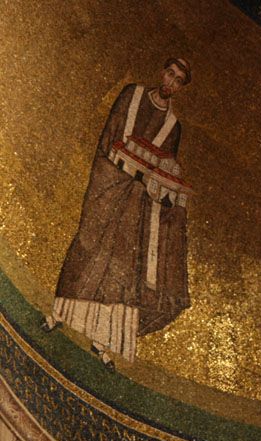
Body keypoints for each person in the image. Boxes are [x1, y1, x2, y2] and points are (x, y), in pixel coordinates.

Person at [42, 58, 193, 370]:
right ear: (161, 72)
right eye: (170, 74)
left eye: (178, 80)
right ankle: (58, 314)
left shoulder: (173, 127)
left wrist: (154, 188)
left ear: (181, 87)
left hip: (136, 208)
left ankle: (103, 340)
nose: (171, 82)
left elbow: (163, 169)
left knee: (123, 270)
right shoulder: (132, 95)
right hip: (109, 187)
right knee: (89, 246)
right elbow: (108, 139)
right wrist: (122, 174)